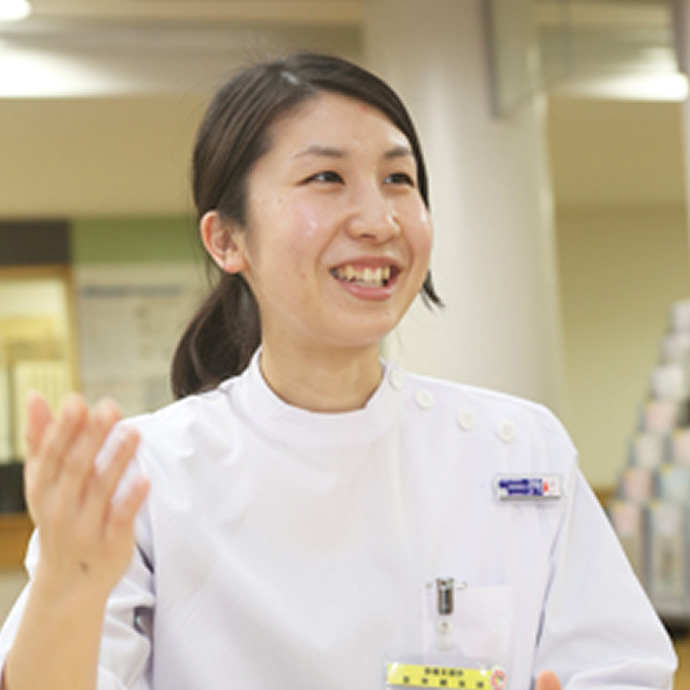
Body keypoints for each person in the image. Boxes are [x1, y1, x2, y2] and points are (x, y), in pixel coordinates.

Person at [0, 52, 676, 690]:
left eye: (398, 179)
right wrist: (65, 587)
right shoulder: (147, 476)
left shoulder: (520, 448)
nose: (379, 220)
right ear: (227, 239)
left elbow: (621, 669)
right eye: (326, 178)